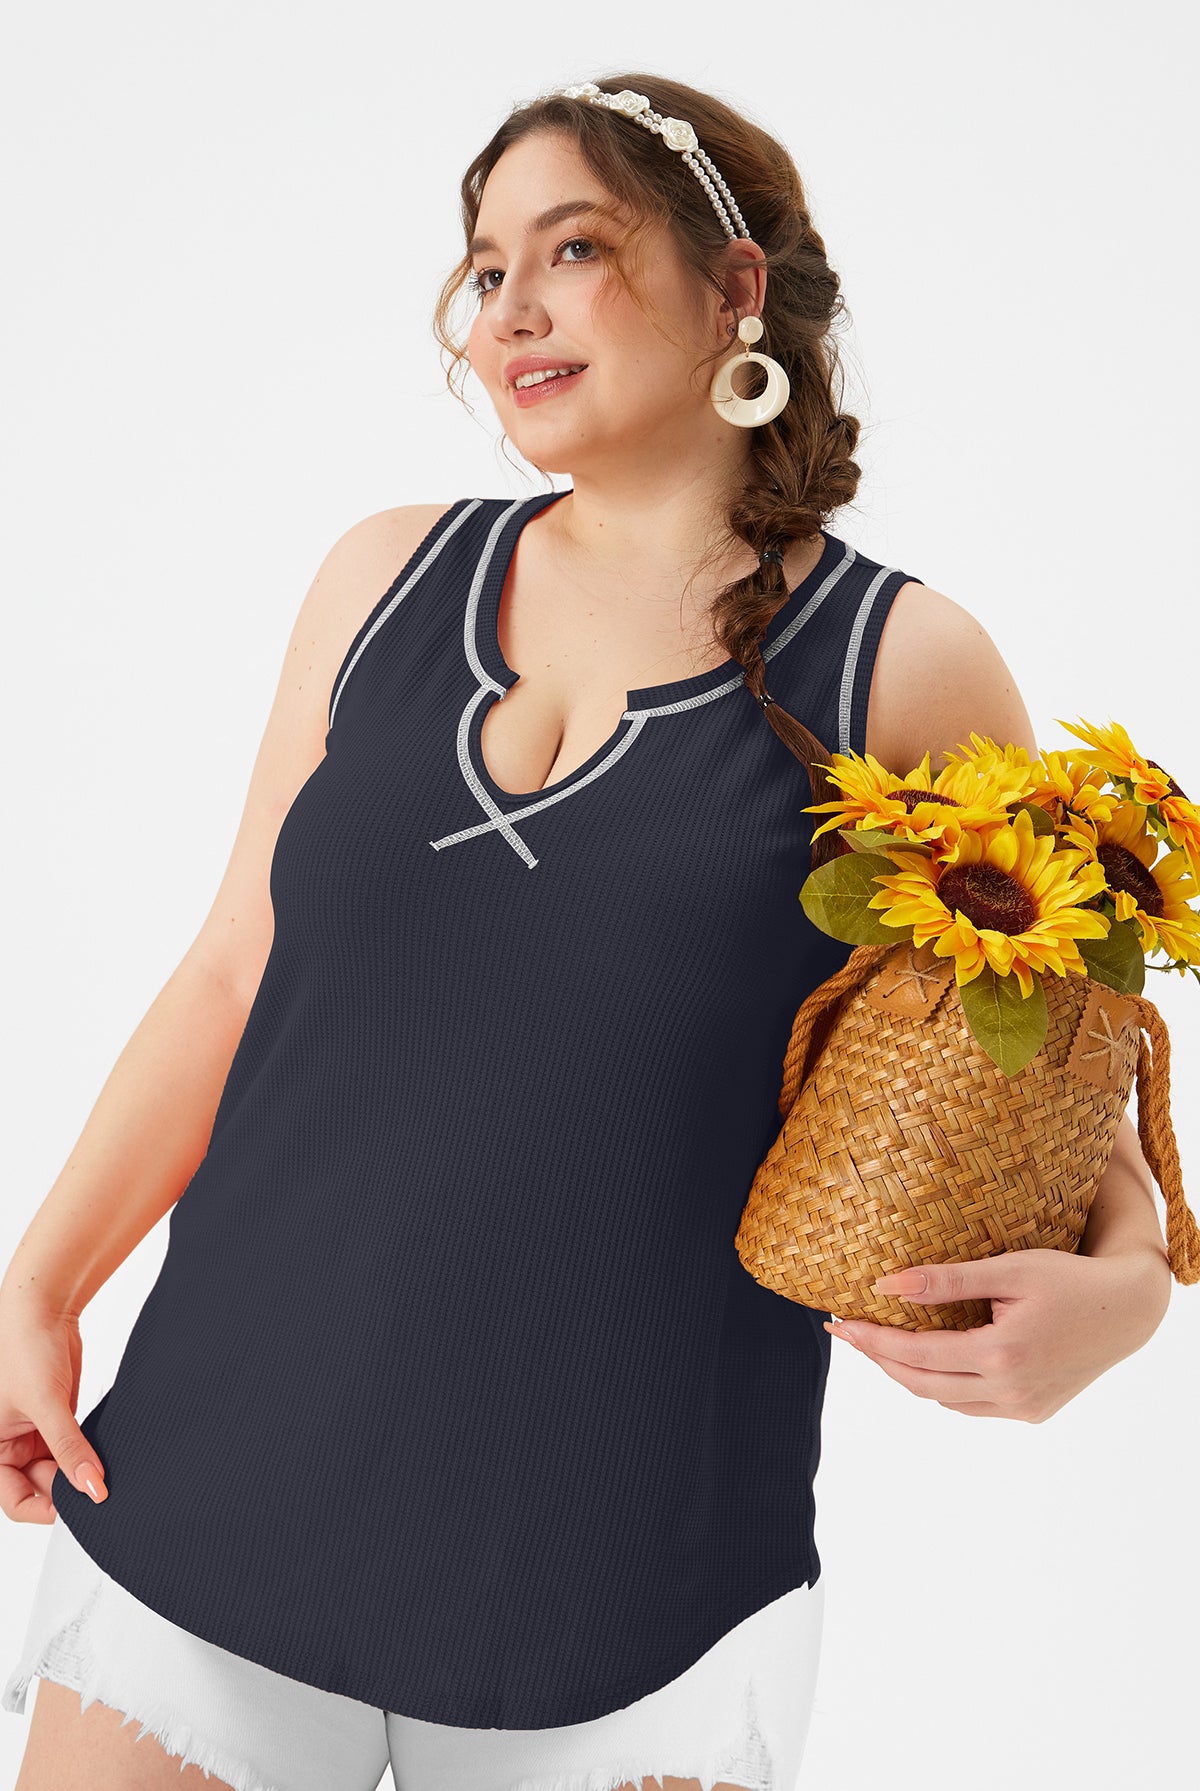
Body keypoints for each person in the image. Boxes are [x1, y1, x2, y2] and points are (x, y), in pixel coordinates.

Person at [1, 71, 1171, 1791]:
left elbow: (1057, 1074)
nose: (510, 309)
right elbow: (234, 969)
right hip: (214, 1480)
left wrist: (1132, 1294)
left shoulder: (900, 668)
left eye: (573, 248)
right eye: (486, 269)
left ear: (735, 287)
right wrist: (39, 1283)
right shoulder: (380, 580)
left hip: (633, 1587)